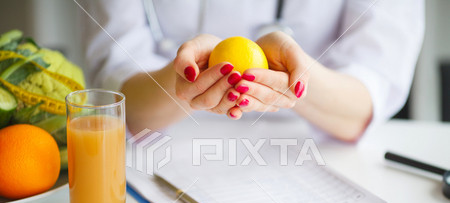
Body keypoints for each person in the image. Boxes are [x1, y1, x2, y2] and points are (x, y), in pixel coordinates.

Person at [81, 0, 424, 141]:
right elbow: (117, 87)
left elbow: (372, 89)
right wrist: (183, 83)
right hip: (161, 153)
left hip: (314, 151)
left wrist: (296, 77)